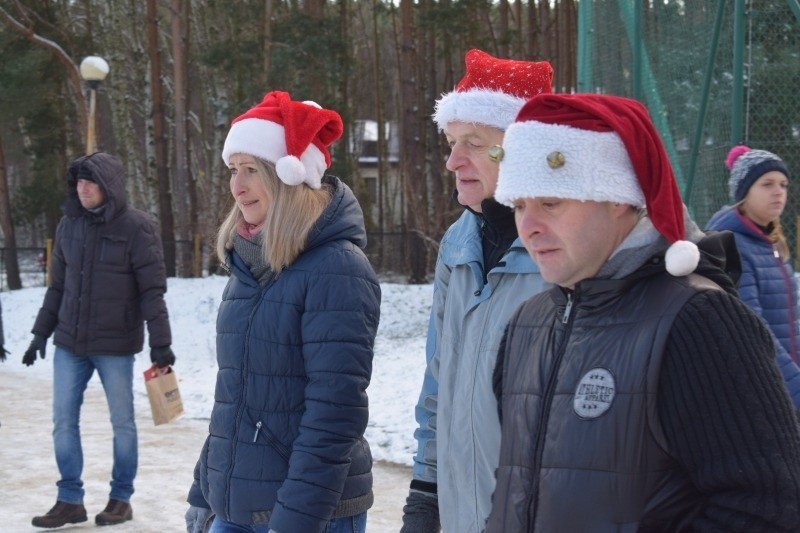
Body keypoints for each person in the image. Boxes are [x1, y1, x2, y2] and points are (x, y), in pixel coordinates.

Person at [486, 93, 800, 531]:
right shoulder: (527, 324)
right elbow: (518, 496)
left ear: (619, 199)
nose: (530, 225)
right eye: (519, 205)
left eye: (551, 203)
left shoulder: (700, 320)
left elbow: (766, 506)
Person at [183, 91, 381, 533]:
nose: (237, 185)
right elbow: (233, 396)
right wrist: (204, 490)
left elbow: (335, 412)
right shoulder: (248, 265)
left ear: (287, 176)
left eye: (251, 169)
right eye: (234, 170)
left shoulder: (337, 268)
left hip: (309, 512)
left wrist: (296, 519)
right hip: (237, 505)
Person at [401, 49, 553, 533]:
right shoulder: (458, 243)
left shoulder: (563, 251)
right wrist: (425, 493)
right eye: (451, 141)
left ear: (521, 147)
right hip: (461, 513)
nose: (451, 160)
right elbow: (438, 383)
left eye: (472, 142)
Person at [22, 151, 176, 528]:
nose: (83, 188)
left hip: (115, 344)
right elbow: (59, 286)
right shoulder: (68, 225)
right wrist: (40, 333)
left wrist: (161, 342)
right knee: (62, 422)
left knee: (122, 422)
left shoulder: (136, 227)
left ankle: (121, 499)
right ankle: (69, 499)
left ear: (109, 186)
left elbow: (151, 291)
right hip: (69, 344)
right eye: (78, 181)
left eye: (90, 182)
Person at [706, 146, 800, 409]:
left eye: (783, 184)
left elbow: (788, 321)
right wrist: (795, 389)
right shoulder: (734, 245)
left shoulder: (771, 244)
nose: (779, 191)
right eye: (767, 184)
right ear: (743, 194)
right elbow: (754, 327)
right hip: (765, 390)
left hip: (784, 383)